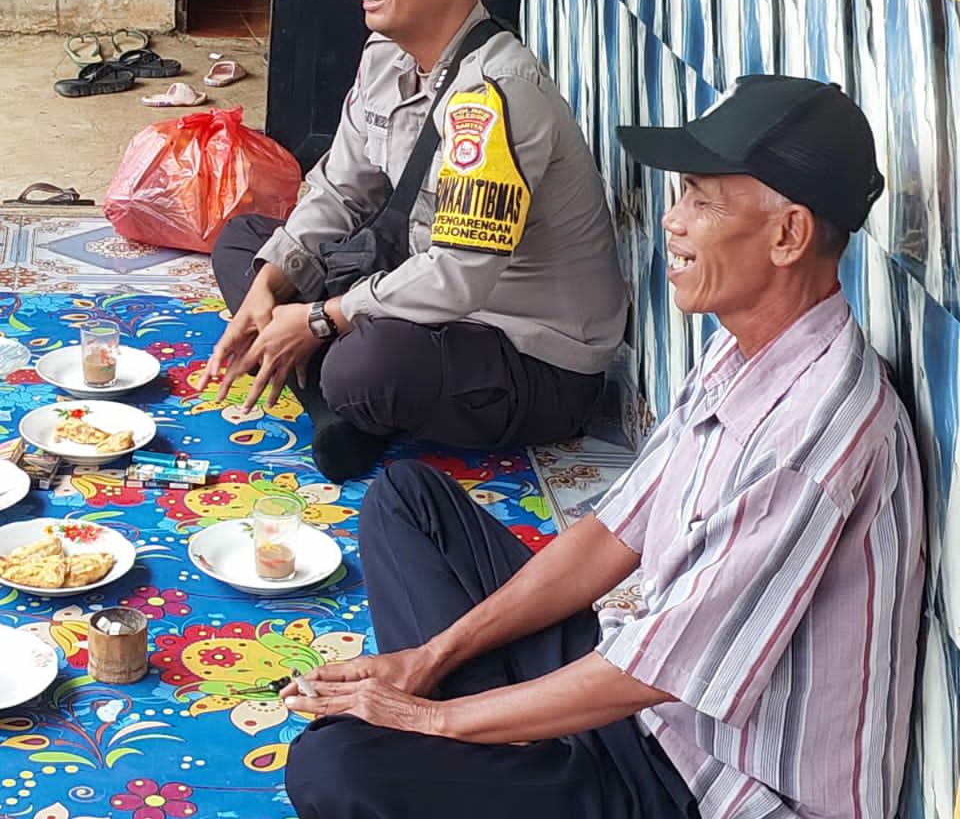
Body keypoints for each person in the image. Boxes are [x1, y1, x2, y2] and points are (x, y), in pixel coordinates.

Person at [279, 74, 925, 819]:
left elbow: (652, 673)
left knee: (335, 767)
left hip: (699, 787)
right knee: (407, 502)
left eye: (702, 200)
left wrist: (432, 718)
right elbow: (614, 533)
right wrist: (428, 660)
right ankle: (502, 753)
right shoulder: (744, 347)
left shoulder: (817, 436)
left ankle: (491, 754)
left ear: (789, 235)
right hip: (635, 706)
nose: (672, 222)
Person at [200, 0, 626, 482]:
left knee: (365, 365)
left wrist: (320, 317)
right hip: (430, 301)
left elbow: (458, 276)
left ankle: (338, 393)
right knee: (246, 245)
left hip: (525, 351)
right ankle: (339, 407)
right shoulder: (385, 54)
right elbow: (340, 189)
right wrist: (273, 281)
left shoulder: (498, 94)